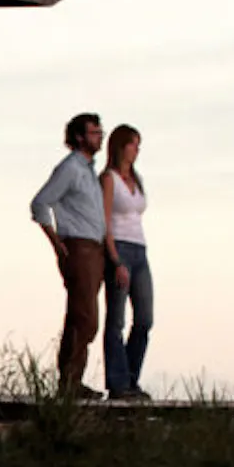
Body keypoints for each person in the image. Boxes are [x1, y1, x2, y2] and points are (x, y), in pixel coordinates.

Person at [29, 111, 108, 398]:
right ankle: (70, 383)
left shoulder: (88, 171)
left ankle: (73, 380)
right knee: (84, 316)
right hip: (78, 245)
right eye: (94, 133)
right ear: (79, 137)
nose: (99, 137)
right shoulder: (70, 168)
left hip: (94, 247)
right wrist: (56, 241)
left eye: (100, 132)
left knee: (85, 316)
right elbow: (40, 203)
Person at [100, 123, 153, 400]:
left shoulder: (136, 178)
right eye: (133, 144)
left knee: (144, 318)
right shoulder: (109, 179)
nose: (137, 150)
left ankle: (131, 378)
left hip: (140, 249)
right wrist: (115, 259)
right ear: (121, 147)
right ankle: (118, 383)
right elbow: (105, 221)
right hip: (119, 247)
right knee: (116, 319)